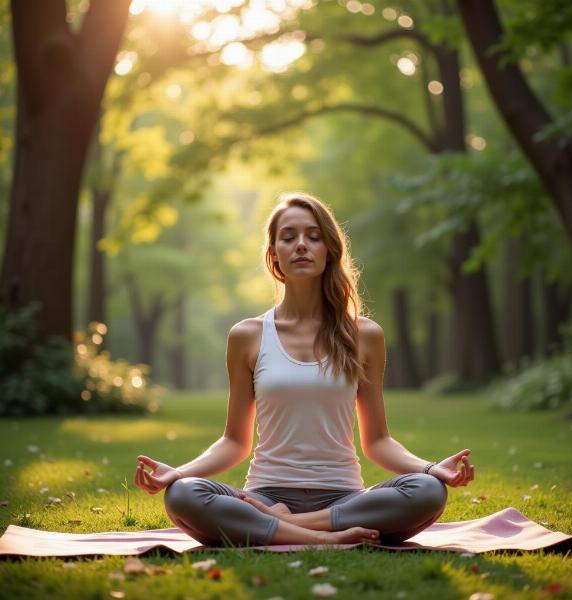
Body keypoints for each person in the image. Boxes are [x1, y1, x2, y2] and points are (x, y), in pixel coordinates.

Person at [134, 192, 475, 547]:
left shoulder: (365, 335)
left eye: (313, 236)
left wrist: (431, 468)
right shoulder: (247, 336)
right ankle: (325, 539)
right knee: (183, 495)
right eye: (288, 236)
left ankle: (288, 526)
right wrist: (178, 473)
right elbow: (235, 441)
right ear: (273, 254)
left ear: (329, 250)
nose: (301, 245)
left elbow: (378, 442)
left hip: (343, 500)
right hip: (264, 497)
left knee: (427, 491)